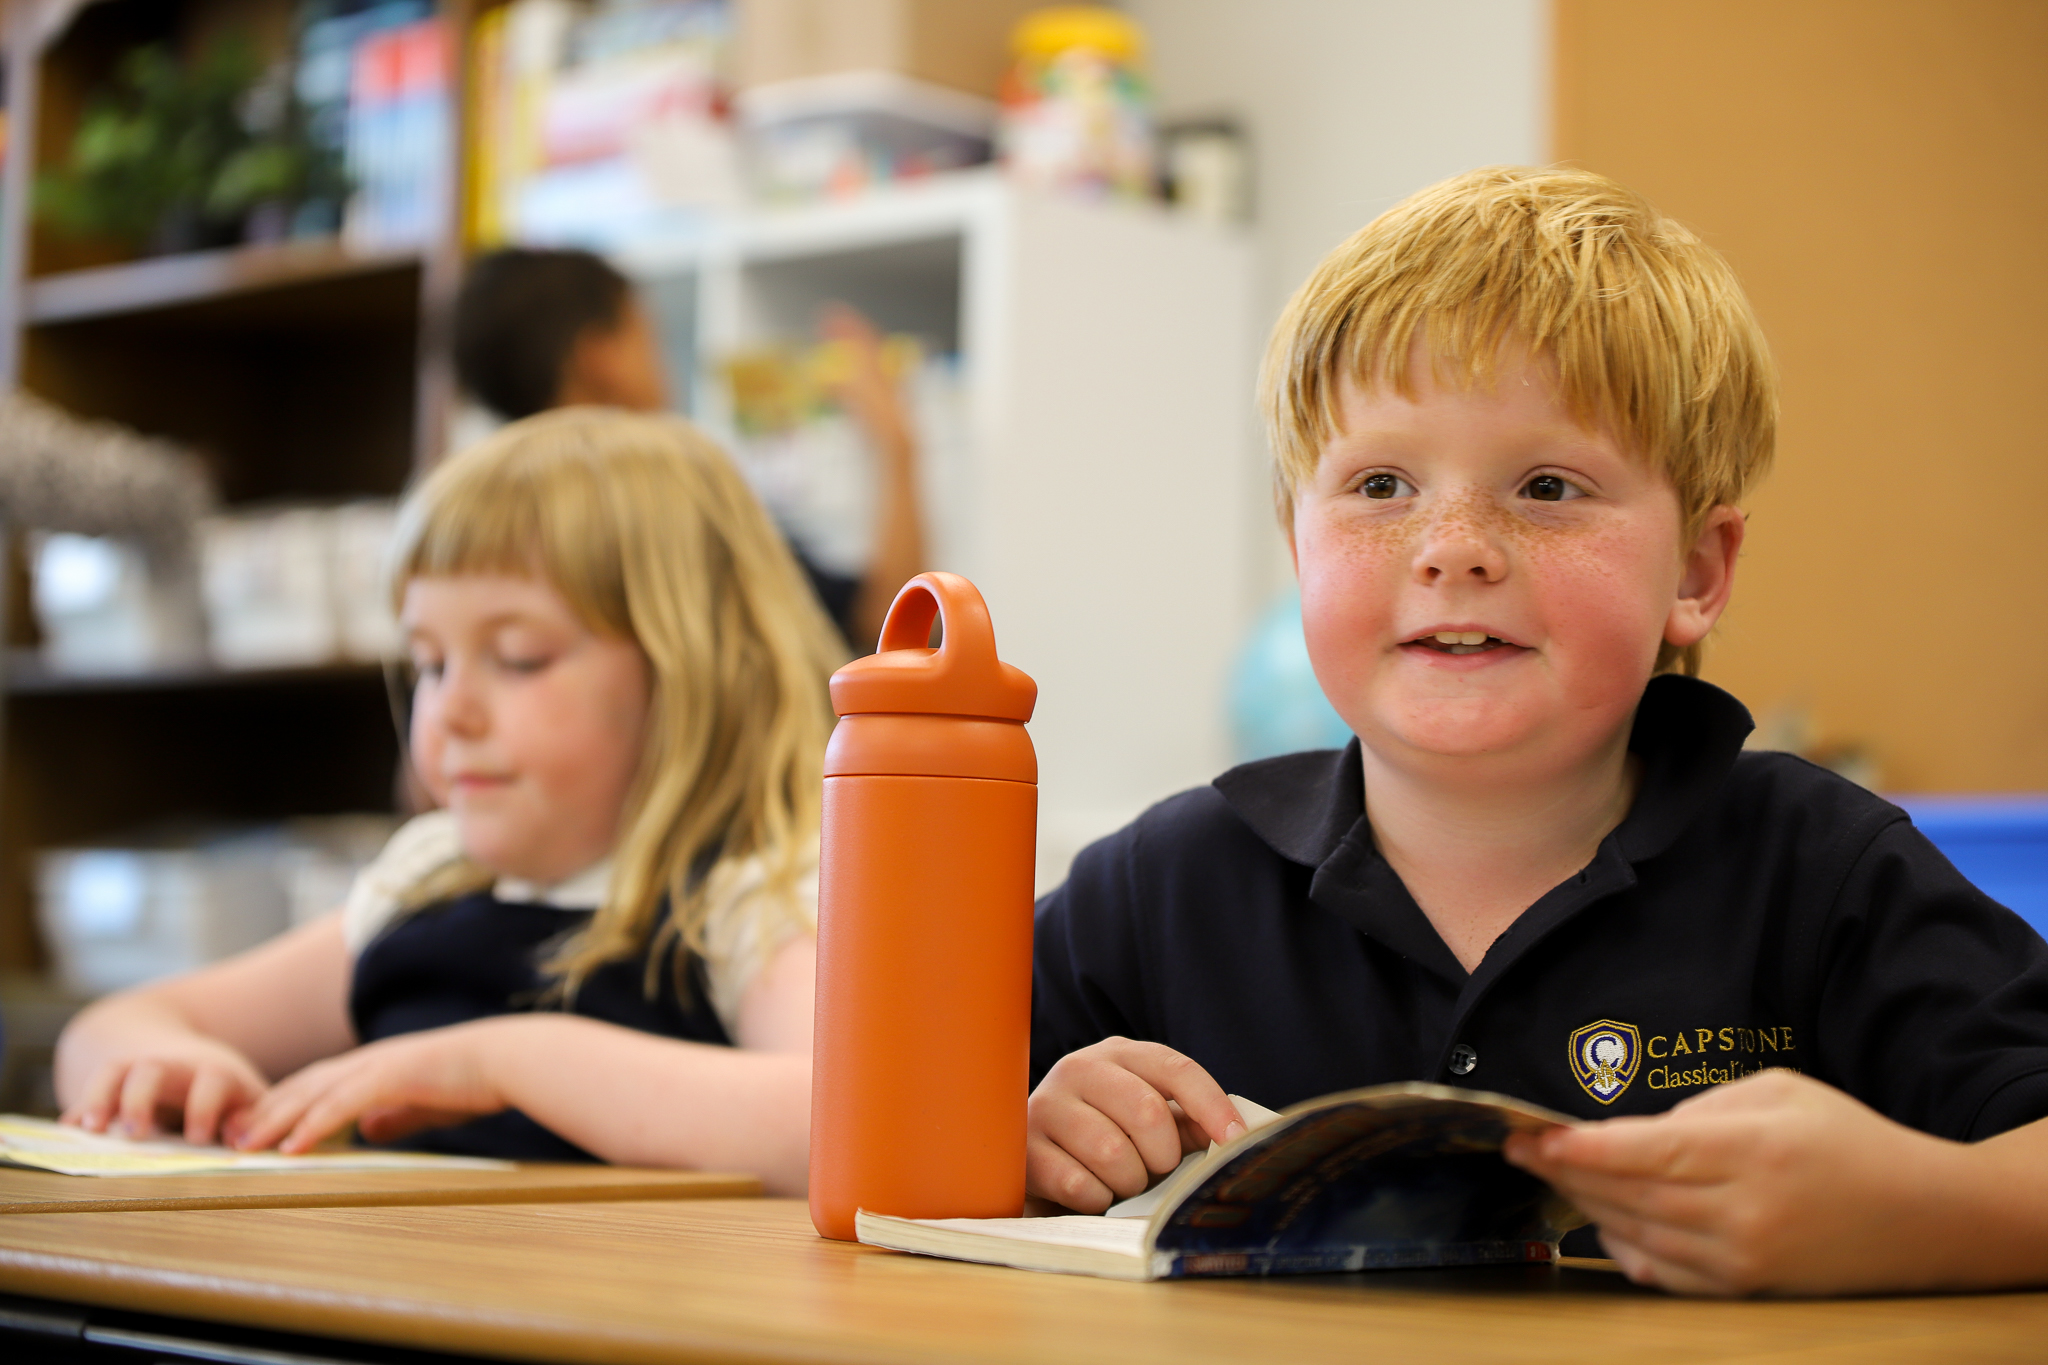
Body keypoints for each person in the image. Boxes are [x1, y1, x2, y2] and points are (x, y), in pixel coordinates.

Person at [1024, 166, 2048, 1295]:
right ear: (1296, 544)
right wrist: (1020, 1131)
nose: (1451, 544)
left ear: (1696, 572)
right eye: (1378, 484)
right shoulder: (1157, 888)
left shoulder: (1824, 874)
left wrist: (1911, 1212)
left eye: (1548, 487)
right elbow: (870, 1127)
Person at [53, 408, 846, 1193]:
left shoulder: (752, 898)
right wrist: (172, 1063)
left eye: (517, 657)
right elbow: (114, 1025)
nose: (450, 711)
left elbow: (846, 1121)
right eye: (429, 663)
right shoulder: (429, 880)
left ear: (692, 677)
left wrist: (507, 1061)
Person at [450, 247, 925, 652]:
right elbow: (881, 625)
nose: (661, 359)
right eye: (646, 335)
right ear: (601, 357)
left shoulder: (480, 524)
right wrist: (897, 443)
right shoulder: (678, 505)